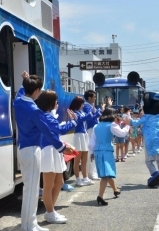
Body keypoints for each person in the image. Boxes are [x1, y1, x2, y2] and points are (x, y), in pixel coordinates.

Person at [13, 72, 73, 231]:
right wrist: (62, 147)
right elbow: (47, 132)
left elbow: (21, 91)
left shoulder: (18, 102)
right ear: (37, 90)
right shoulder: (34, 110)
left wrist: (24, 81)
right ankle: (29, 225)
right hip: (32, 150)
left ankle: (29, 224)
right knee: (32, 191)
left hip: (22, 149)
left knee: (29, 189)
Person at [36, 90, 77, 224]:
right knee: (48, 185)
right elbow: (59, 131)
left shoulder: (47, 116)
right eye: (56, 101)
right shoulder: (46, 117)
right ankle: (49, 212)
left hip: (54, 150)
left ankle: (51, 211)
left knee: (59, 182)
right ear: (50, 103)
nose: (57, 103)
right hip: (49, 151)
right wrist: (73, 122)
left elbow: (57, 130)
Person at [88, 108, 131, 205]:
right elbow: (121, 133)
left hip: (97, 151)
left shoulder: (96, 126)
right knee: (105, 174)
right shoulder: (111, 125)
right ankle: (100, 196)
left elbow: (92, 142)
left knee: (107, 173)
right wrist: (127, 125)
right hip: (106, 151)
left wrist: (91, 152)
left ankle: (115, 189)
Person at [69, 96, 101, 187]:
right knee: (77, 159)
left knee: (84, 159)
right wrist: (92, 112)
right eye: (82, 103)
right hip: (78, 135)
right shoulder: (74, 113)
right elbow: (81, 119)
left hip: (84, 135)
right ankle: (78, 179)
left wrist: (98, 112)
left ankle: (85, 177)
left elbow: (90, 118)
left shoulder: (81, 112)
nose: (83, 105)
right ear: (78, 104)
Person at [83, 90, 100, 180]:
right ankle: (91, 173)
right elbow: (90, 119)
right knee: (91, 150)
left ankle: (93, 172)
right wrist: (98, 112)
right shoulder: (86, 106)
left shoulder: (91, 106)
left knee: (94, 150)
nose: (95, 98)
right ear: (89, 98)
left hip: (93, 129)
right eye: (94, 97)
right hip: (90, 129)